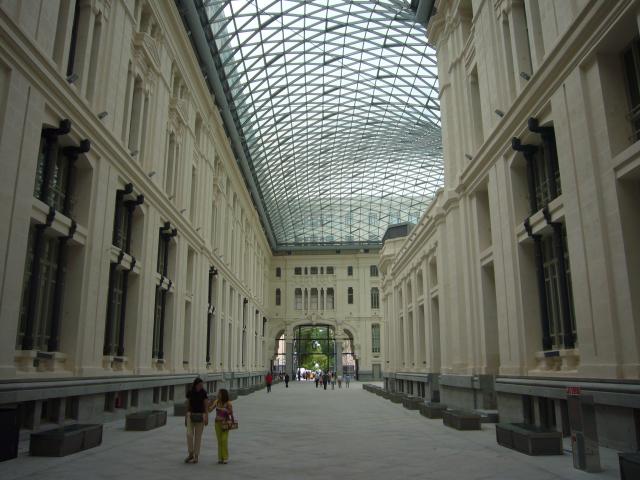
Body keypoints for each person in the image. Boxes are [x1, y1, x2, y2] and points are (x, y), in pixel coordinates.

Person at [185, 377, 208, 464]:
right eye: (199, 385)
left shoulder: (204, 393)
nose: (201, 387)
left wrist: (206, 417)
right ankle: (190, 453)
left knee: (198, 437)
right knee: (189, 435)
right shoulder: (190, 392)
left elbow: (206, 406)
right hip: (190, 415)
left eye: (202, 385)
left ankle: (196, 456)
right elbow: (188, 404)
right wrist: (185, 416)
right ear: (195, 385)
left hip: (201, 416)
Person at [209, 388, 233, 464]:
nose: (218, 394)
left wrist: (225, 410)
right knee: (219, 441)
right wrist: (208, 404)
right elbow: (210, 410)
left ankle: (225, 457)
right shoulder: (216, 402)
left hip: (225, 424)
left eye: (219, 393)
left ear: (223, 395)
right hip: (217, 423)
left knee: (224, 440)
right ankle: (220, 458)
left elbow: (230, 413)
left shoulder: (228, 403)